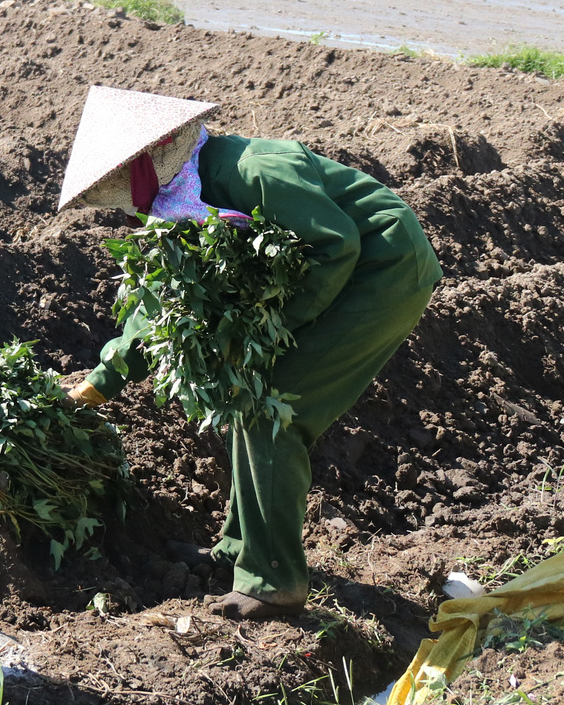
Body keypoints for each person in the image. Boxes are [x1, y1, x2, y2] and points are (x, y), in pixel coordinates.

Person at [57, 86, 440, 620]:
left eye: (118, 180)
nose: (120, 198)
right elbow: (169, 306)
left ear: (152, 154)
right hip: (337, 277)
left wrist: (271, 331)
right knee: (245, 396)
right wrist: (101, 381)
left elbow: (338, 244)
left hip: (383, 272)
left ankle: (273, 583)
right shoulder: (179, 203)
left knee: (272, 410)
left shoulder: (254, 169)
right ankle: (239, 551)